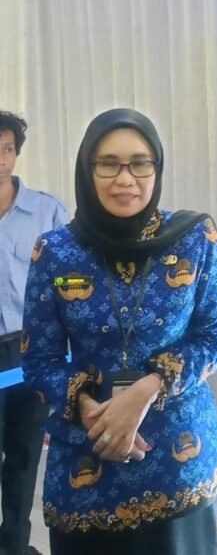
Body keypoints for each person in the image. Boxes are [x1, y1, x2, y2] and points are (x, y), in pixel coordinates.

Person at [21, 108, 217, 555]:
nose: (125, 179)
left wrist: (144, 392)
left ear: (157, 167)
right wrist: (92, 413)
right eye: (108, 164)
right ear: (87, 170)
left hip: (177, 461)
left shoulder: (194, 237)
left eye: (140, 164)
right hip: (87, 462)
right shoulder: (56, 251)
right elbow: (39, 360)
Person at [0, 111, 67, 555]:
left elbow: (70, 283)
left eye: (6, 149)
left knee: (24, 456)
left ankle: (14, 546)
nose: (0, 160)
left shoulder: (47, 211)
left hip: (28, 350)